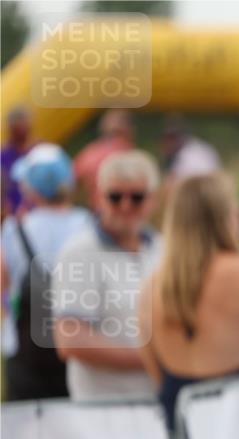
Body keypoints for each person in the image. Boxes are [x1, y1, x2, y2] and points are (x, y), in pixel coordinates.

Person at [138, 172, 239, 432]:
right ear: (226, 217)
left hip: (177, 429)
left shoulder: (151, 286)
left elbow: (156, 374)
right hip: (234, 430)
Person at [51, 150, 162, 401]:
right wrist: (153, 360)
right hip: (105, 409)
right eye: (115, 197)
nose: (125, 206)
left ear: (152, 200)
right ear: (99, 198)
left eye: (136, 197)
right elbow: (71, 340)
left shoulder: (162, 248)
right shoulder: (79, 253)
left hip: (160, 403)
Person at [1, 143, 94, 400]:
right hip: (81, 349)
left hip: (25, 356)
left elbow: (3, 284)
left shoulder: (13, 231)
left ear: (30, 188)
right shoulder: (90, 225)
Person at [73, 109, 134, 209]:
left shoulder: (89, 152)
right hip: (127, 212)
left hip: (97, 212)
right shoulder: (131, 155)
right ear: (128, 130)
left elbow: (69, 182)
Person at [1, 106, 33, 220]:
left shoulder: (38, 150)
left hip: (41, 212)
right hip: (15, 217)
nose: (21, 131)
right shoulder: (3, 156)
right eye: (17, 127)